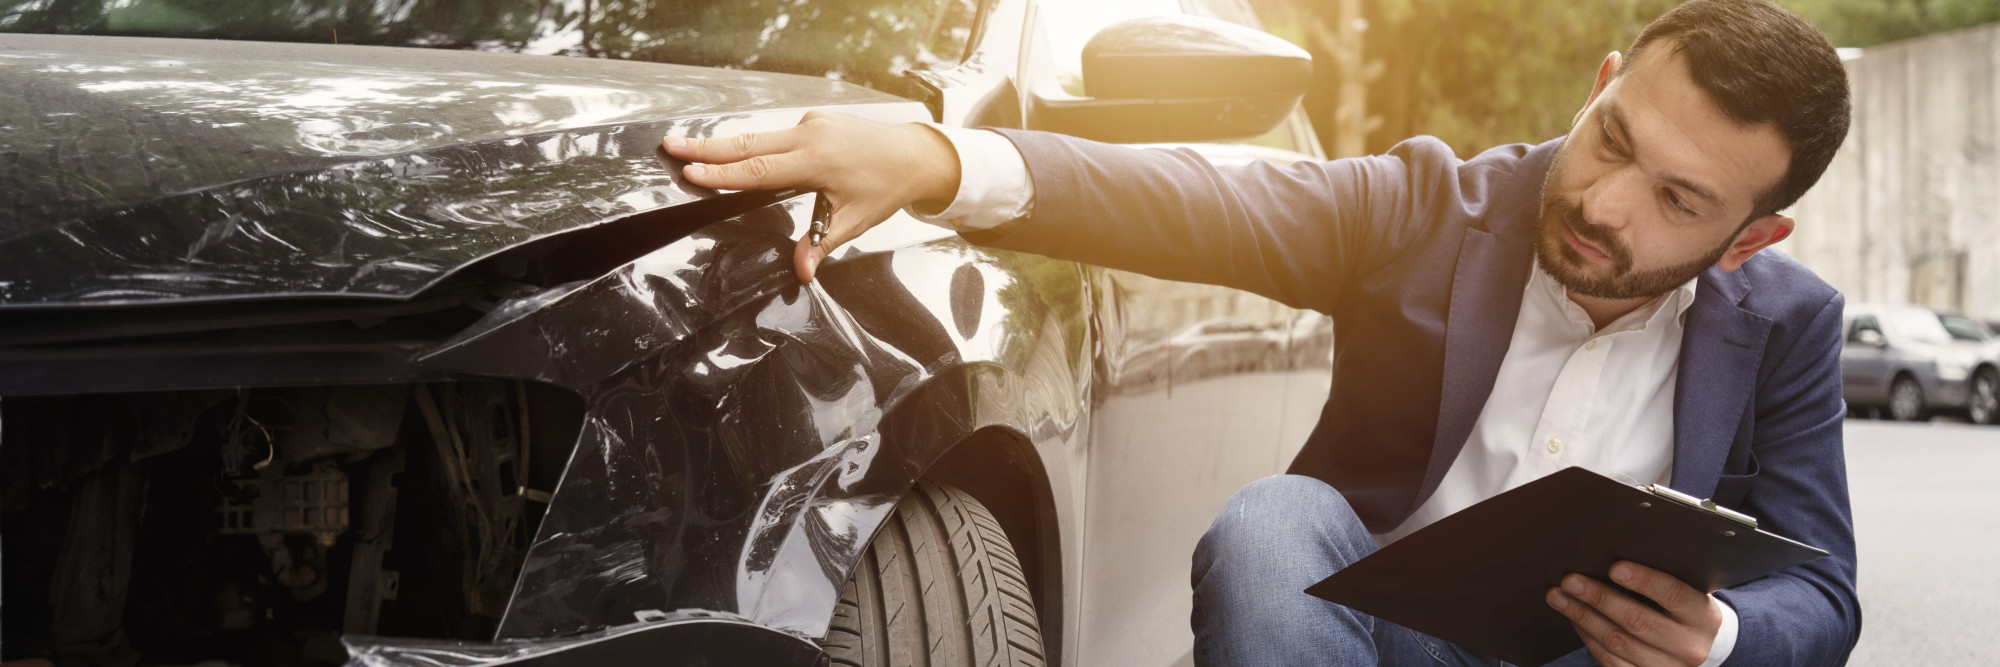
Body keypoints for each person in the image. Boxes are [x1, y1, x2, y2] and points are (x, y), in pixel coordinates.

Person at [659, 0, 1857, 664]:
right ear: (1599, 82)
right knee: (1276, 519)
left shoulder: (1788, 328)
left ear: (1751, 236)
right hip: (1364, 641)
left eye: (1678, 201)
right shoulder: (1433, 206)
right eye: (1610, 140)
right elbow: (1204, 199)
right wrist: (936, 156)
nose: (1603, 203)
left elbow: (1821, 587)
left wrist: (1716, 639)